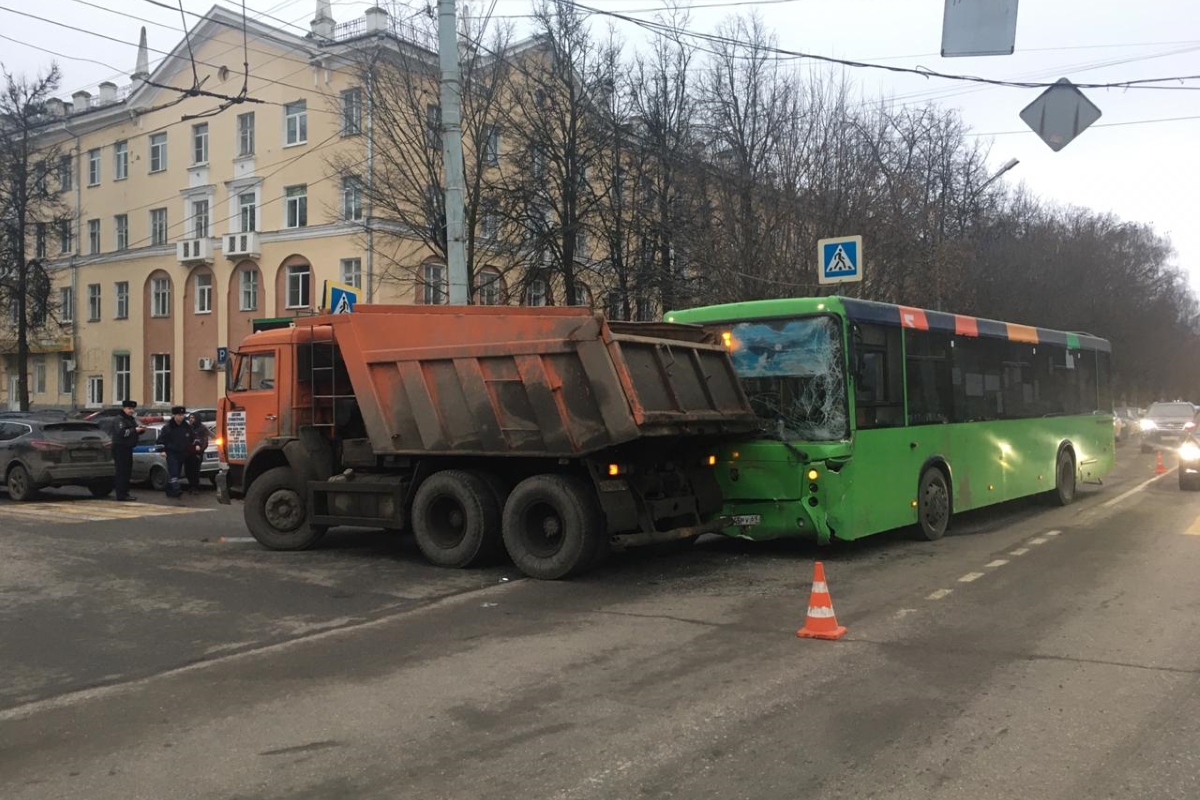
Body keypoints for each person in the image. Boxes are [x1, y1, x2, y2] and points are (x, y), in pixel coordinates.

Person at [156, 406, 195, 499]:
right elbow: (160, 441)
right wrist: (162, 450)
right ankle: (176, 490)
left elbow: (192, 438)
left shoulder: (186, 427)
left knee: (177, 472)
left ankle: (170, 490)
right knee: (173, 471)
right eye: (179, 415)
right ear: (174, 415)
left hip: (182, 452)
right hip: (171, 452)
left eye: (182, 415)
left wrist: (193, 447)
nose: (181, 417)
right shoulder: (168, 427)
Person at [111, 399, 145, 502]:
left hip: (128, 447)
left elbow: (133, 432)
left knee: (127, 471)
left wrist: (140, 430)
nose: (131, 411)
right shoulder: (120, 419)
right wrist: (135, 430)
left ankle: (125, 493)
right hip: (120, 447)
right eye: (129, 408)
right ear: (124, 408)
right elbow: (122, 433)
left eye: (133, 409)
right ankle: (121, 494)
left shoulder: (130, 419)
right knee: (122, 471)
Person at [184, 412, 210, 494]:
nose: (191, 419)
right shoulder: (189, 427)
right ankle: (191, 486)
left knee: (195, 471)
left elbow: (205, 441)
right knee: (188, 471)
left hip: (197, 454)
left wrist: (200, 449)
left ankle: (195, 487)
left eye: (193, 418)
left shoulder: (202, 428)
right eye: (190, 417)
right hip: (188, 453)